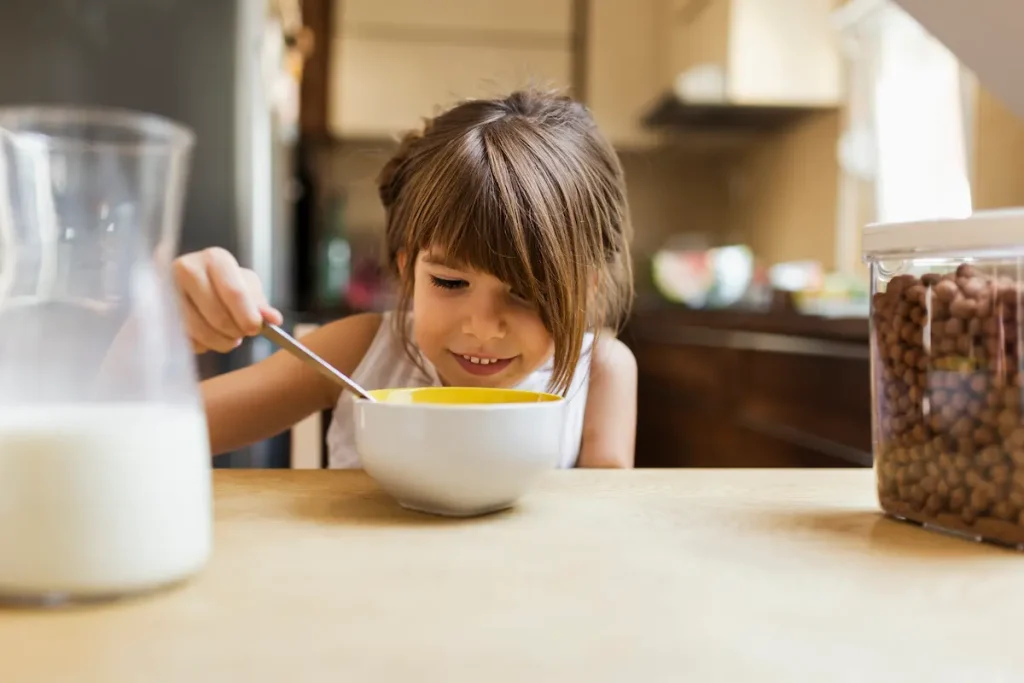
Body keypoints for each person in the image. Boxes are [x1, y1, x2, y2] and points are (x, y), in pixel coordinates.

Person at [174, 89, 638, 469]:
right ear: (407, 270)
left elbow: (598, 530)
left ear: (588, 288)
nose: (482, 327)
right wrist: (163, 323)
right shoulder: (358, 354)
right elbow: (153, 432)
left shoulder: (601, 373)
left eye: (528, 294)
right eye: (451, 283)